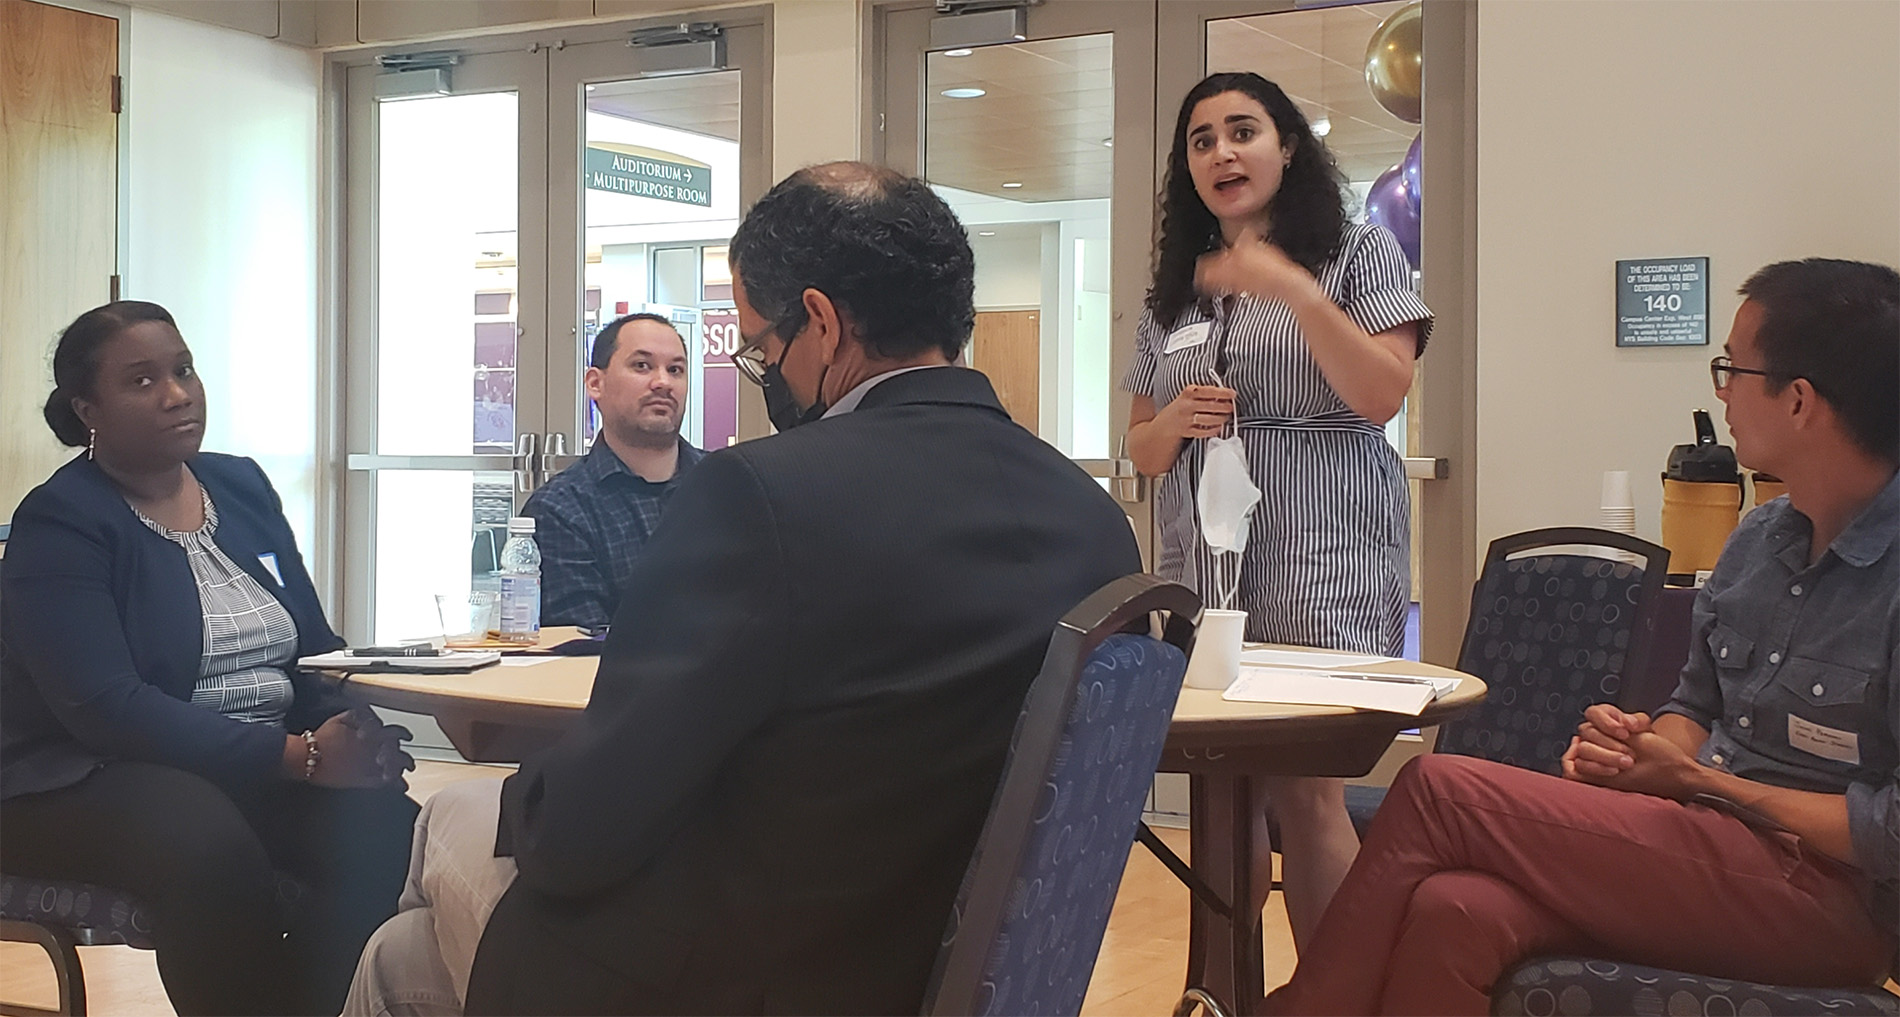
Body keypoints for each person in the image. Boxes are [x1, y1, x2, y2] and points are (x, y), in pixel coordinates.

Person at [342, 162, 1143, 1017]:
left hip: (742, 974)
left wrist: (532, 790)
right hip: (943, 972)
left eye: (761, 348)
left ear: (824, 325)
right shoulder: (1095, 523)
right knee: (404, 958)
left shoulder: (761, 495)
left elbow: (587, 831)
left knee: (449, 832)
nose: (768, 375)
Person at [1266, 259, 1900, 1015]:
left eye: (1733, 368)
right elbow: (1694, 705)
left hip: (1828, 900)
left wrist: (1706, 783)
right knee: (1453, 911)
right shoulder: (1757, 539)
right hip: (1701, 841)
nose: (1721, 390)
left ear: (1799, 400)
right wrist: (1643, 751)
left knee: (1441, 789)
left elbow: (1888, 830)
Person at [0, 301, 419, 1016]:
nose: (176, 393)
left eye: (183, 369)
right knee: (206, 844)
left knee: (392, 830)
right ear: (86, 407)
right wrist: (300, 757)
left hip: (253, 757)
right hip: (78, 772)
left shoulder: (242, 486)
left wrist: (355, 734)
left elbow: (311, 647)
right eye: (141, 380)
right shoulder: (63, 520)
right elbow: (107, 709)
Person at [1122, 71, 1433, 947]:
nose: (1222, 152)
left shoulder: (1357, 252)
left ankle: (1330, 998)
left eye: (1243, 131)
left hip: (1323, 547)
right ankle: (1222, 989)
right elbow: (1140, 450)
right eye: (1201, 139)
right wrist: (1175, 421)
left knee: (1305, 786)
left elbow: (1382, 393)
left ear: (1286, 146)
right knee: (1225, 790)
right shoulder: (1175, 289)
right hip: (1207, 565)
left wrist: (1293, 289)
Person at [521, 312, 705, 630]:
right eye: (642, 366)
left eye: (675, 370)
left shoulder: (727, 484)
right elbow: (582, 643)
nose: (662, 382)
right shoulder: (560, 509)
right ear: (596, 384)